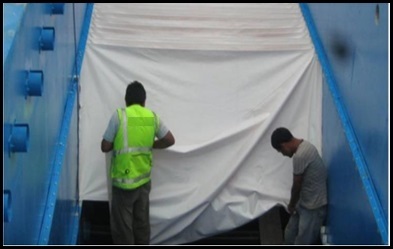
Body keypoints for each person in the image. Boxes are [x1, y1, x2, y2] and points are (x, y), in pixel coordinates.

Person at [101, 81, 175, 245]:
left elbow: (104, 146)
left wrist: (117, 142)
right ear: (144, 101)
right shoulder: (152, 117)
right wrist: (152, 144)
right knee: (141, 224)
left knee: (123, 228)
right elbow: (170, 140)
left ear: (126, 101)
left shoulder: (119, 116)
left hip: (123, 184)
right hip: (143, 181)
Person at [270, 127, 327, 245]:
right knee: (289, 235)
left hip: (313, 207)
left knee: (302, 242)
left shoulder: (300, 155)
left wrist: (291, 205)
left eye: (281, 151)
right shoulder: (305, 145)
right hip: (304, 202)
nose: (283, 155)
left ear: (284, 145)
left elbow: (297, 185)